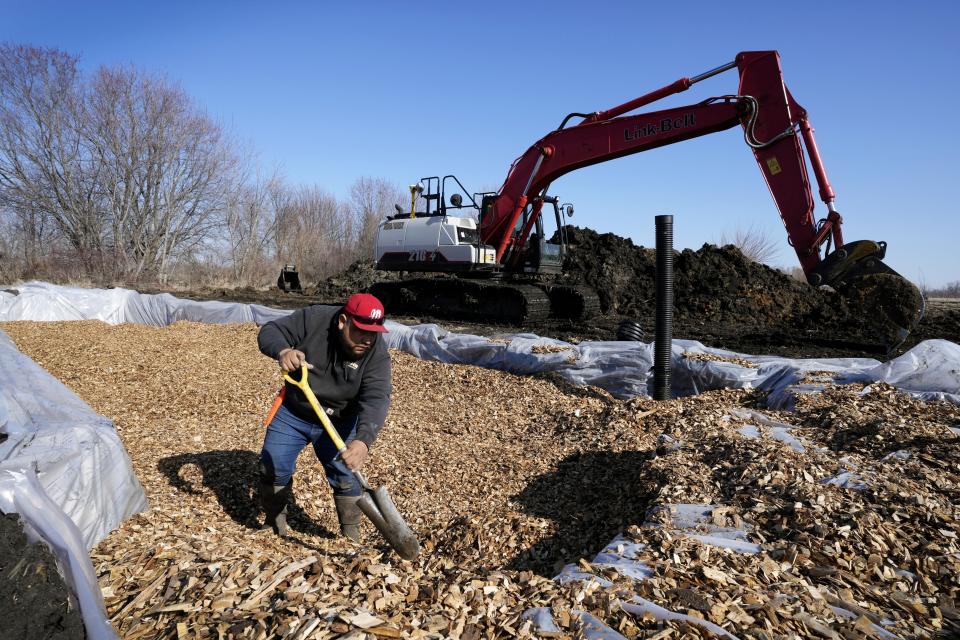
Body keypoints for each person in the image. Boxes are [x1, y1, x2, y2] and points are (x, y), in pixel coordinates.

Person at [256, 293, 391, 540]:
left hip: (340, 420)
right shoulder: (314, 319)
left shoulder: (376, 352)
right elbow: (270, 330)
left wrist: (363, 441)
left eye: (374, 332)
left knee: (346, 477)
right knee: (273, 465)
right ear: (342, 321)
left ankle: (351, 535)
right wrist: (283, 350)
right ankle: (275, 523)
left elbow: (377, 398)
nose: (368, 339)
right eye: (361, 330)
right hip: (295, 411)